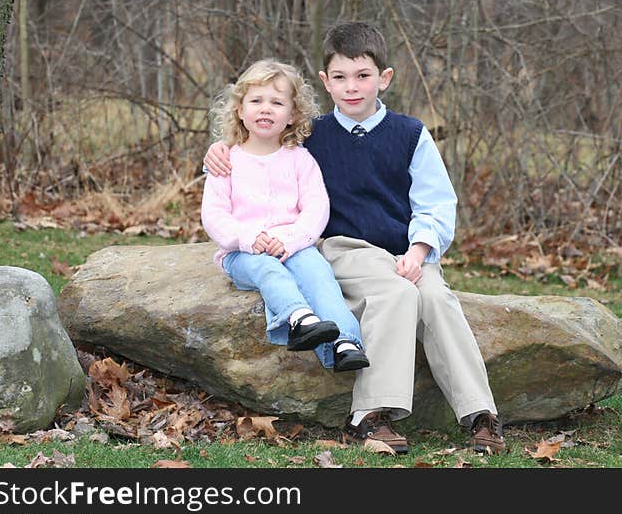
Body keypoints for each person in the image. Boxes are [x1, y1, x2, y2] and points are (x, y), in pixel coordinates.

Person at [205, 24, 505, 454]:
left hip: (406, 251)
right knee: (397, 294)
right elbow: (260, 144)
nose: (351, 87)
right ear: (326, 82)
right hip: (345, 248)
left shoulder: (410, 134)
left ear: (384, 78)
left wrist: (419, 252)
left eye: (363, 75)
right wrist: (216, 151)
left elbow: (436, 203)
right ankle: (372, 414)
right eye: (340, 77)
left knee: (436, 299)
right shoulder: (312, 135)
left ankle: (480, 412)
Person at [201, 57, 369, 373]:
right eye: (256, 101)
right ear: (240, 109)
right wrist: (247, 238)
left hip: (293, 246)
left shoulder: (300, 160)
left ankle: (346, 341)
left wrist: (291, 240)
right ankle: (297, 318)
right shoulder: (227, 161)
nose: (266, 109)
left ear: (292, 115)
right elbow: (214, 214)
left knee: (320, 276)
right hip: (242, 252)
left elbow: (316, 208)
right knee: (269, 271)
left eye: (277, 102)